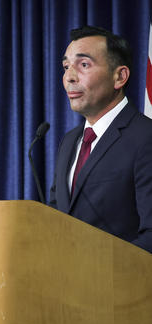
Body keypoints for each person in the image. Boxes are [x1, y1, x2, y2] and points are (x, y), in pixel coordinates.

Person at [50, 26, 152, 254]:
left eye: (83, 65)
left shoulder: (146, 138)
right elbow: (55, 215)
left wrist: (99, 273)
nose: (69, 77)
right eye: (66, 67)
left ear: (120, 76)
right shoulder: (70, 141)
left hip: (123, 285)